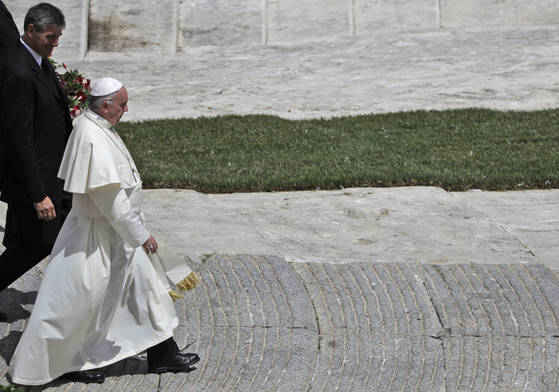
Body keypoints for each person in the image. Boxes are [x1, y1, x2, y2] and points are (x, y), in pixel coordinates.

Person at [8, 77, 200, 385]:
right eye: (122, 104)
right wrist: (141, 235)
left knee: (144, 292)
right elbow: (110, 201)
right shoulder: (91, 136)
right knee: (80, 302)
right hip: (96, 238)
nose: (126, 109)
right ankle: (68, 361)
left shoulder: (98, 127)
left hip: (116, 235)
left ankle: (163, 354)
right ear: (106, 104)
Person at [0, 3, 72, 321]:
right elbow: (20, 141)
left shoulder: (36, 59)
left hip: (53, 173)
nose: (55, 43)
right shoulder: (18, 71)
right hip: (38, 180)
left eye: (58, 37)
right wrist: (38, 195)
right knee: (36, 243)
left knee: (34, 239)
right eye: (50, 37)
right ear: (30, 30)